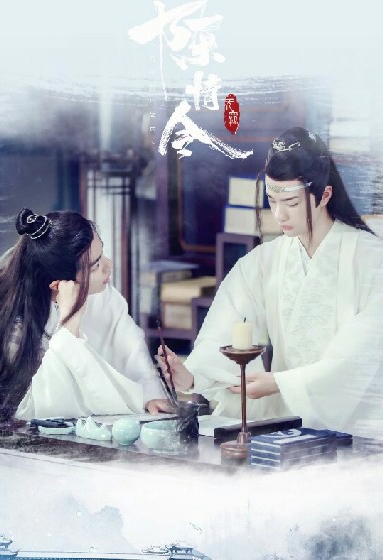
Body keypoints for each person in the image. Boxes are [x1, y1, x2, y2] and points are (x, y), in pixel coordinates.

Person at [158, 127, 383, 439]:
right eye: (272, 200)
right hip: (290, 423)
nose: (279, 215)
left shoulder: (371, 258)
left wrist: (280, 383)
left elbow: (365, 349)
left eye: (290, 202)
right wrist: (194, 376)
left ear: (325, 195)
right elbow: (226, 325)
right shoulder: (265, 261)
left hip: (361, 428)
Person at [0, 208, 171, 420]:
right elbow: (43, 407)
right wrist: (70, 322)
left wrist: (149, 395)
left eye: (102, 254)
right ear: (58, 285)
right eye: (96, 265)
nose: (110, 265)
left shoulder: (101, 293)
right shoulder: (11, 324)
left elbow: (131, 352)